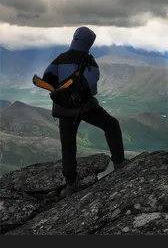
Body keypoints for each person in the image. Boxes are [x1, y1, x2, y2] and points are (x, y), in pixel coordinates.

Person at [42, 26, 129, 196]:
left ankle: (71, 184)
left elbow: (47, 79)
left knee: (68, 146)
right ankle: (119, 162)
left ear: (74, 39)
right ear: (89, 43)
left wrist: (63, 92)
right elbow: (92, 88)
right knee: (111, 125)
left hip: (64, 111)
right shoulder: (89, 61)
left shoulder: (60, 59)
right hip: (86, 108)